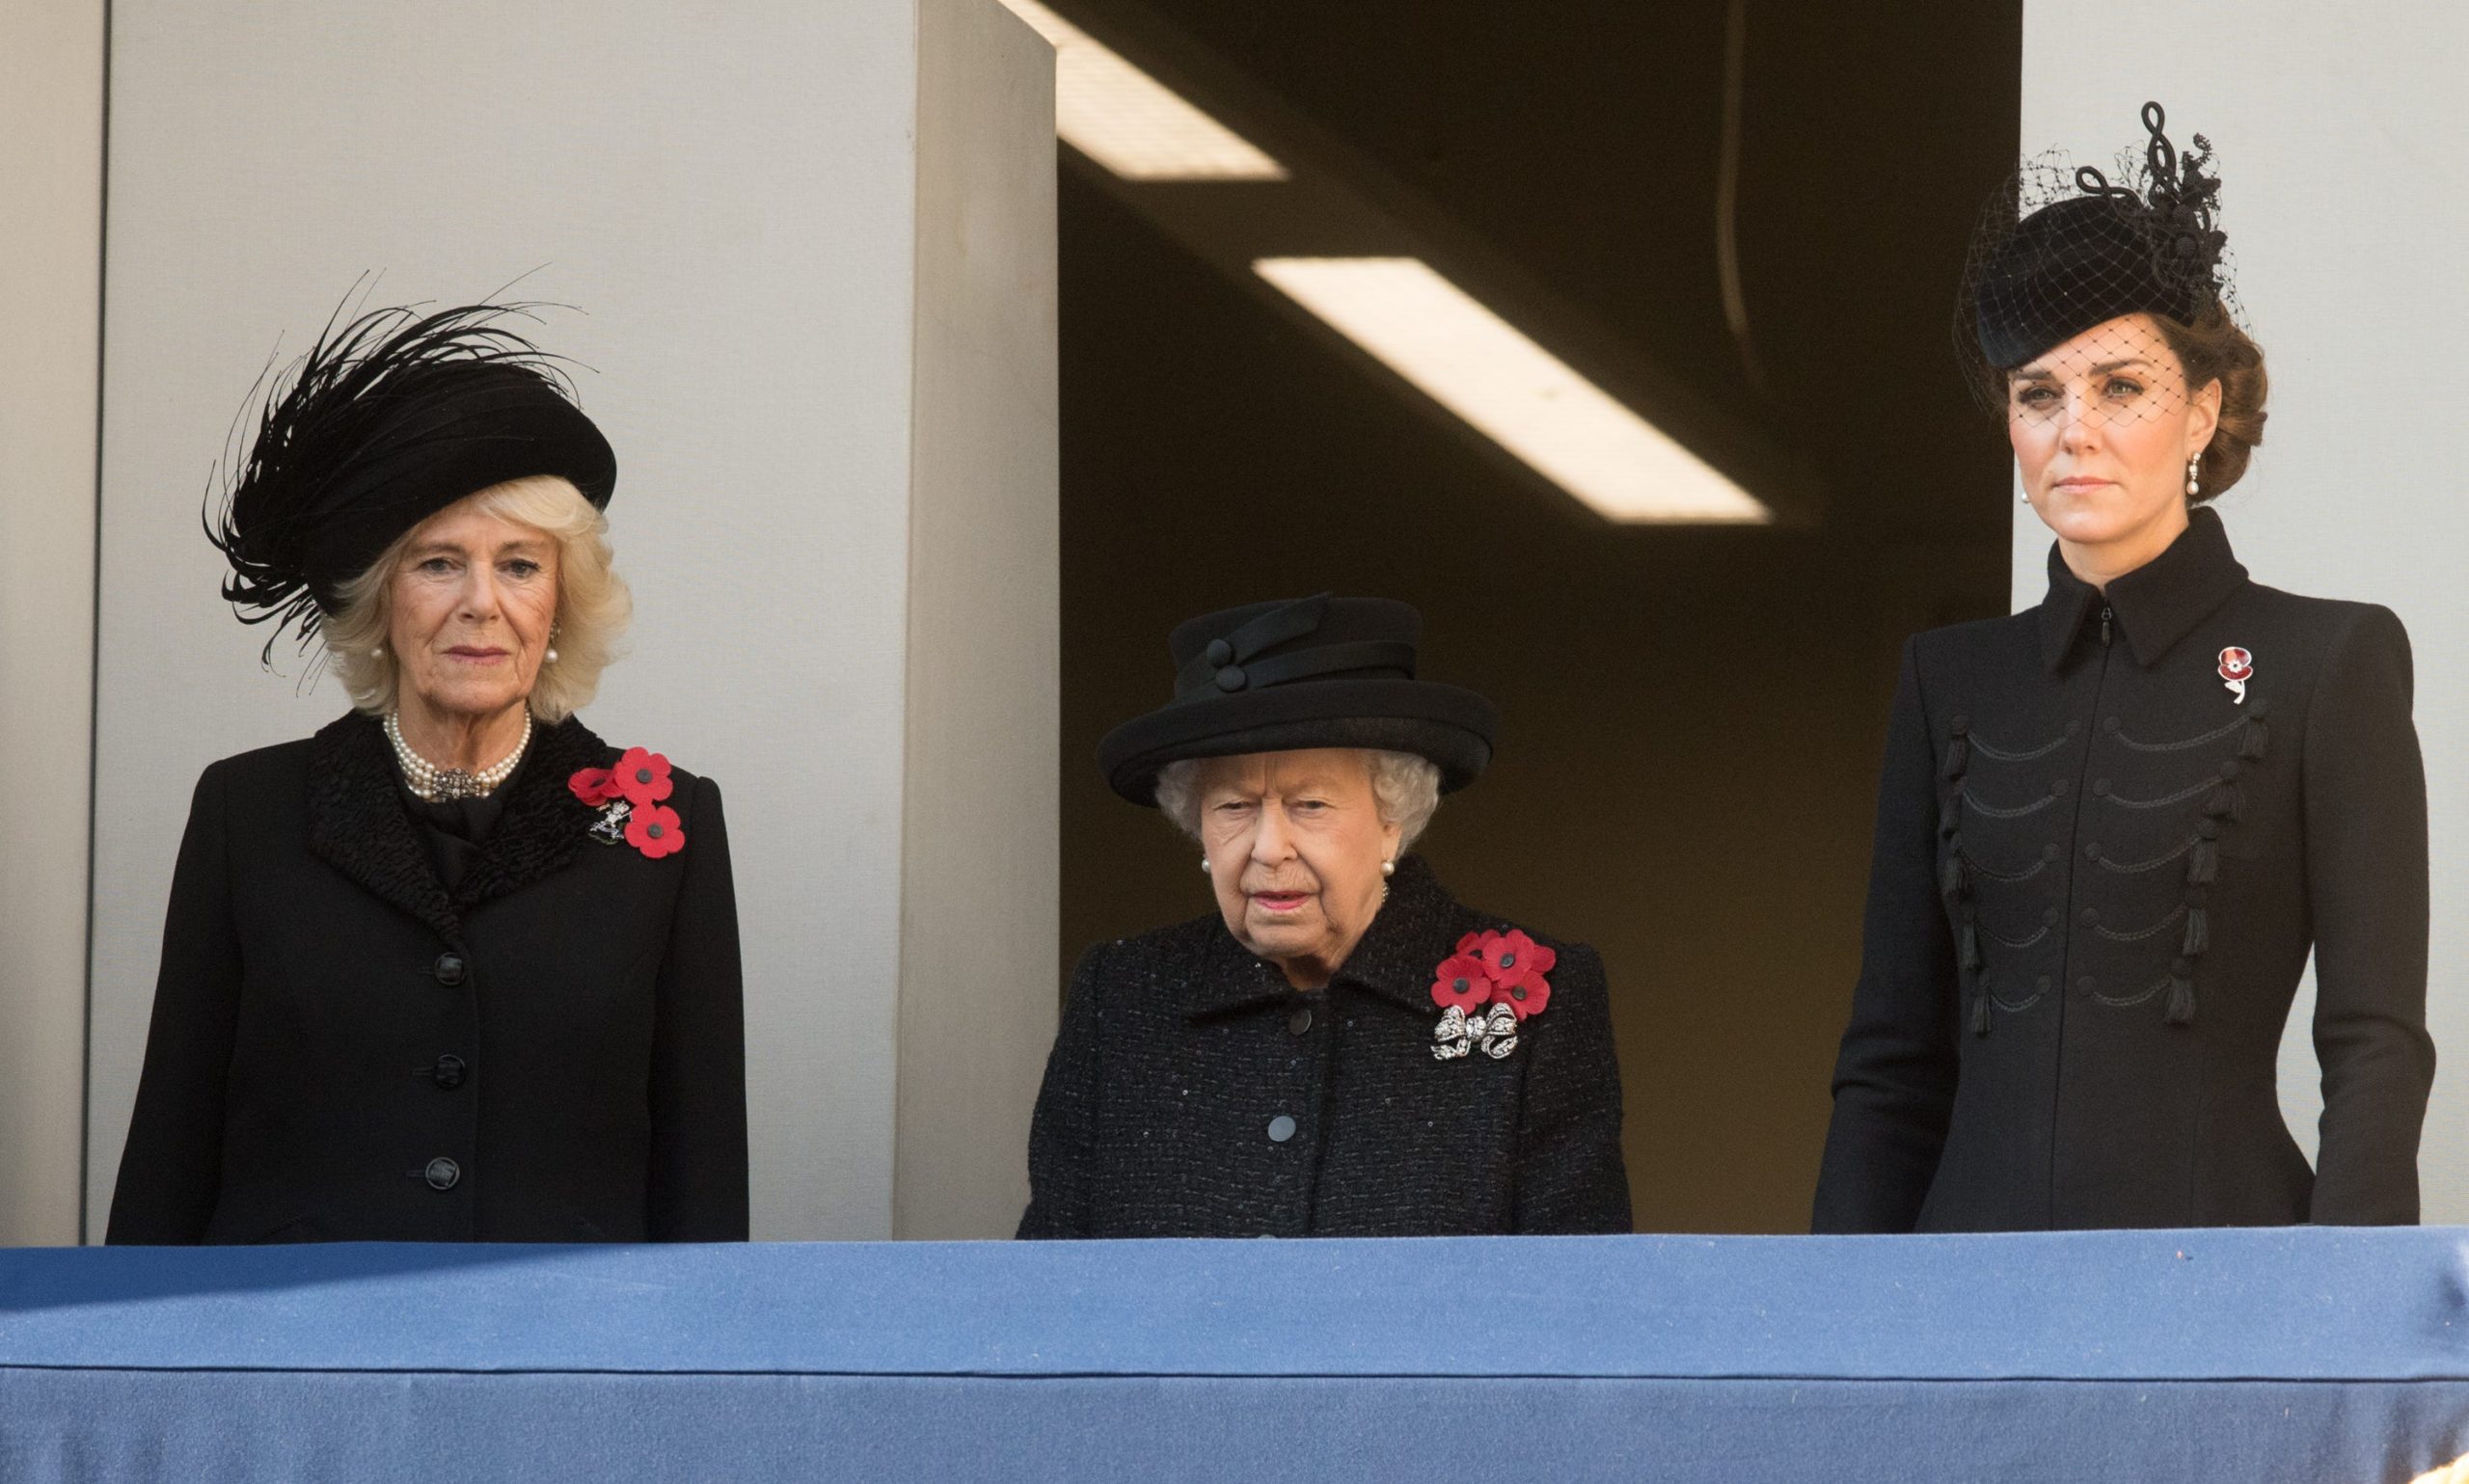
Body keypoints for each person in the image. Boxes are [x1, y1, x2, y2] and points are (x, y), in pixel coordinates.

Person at [1812, 104, 2433, 1232]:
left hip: (2229, 1278)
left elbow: (2373, 1044)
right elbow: (1891, 1063)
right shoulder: (1944, 679)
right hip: (1962, 1295)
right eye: (2037, 393)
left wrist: (2344, 1319)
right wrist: (1838, 1339)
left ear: (2200, 410)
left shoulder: (2328, 659)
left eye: (2119, 387)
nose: (2072, 430)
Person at [108, 301, 747, 1244]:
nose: (482, 605)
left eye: (520, 566)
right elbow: (171, 1150)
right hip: (292, 1361)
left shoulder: (663, 825)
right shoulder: (249, 813)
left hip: (561, 1369)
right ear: (381, 599)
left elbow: (703, 1188)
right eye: (439, 563)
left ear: (561, 600)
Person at [1018, 594, 1630, 1238]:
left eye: (1309, 803)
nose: (1267, 845)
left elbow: (1576, 1302)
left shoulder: (1543, 1002)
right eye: (1233, 806)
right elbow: (1046, 1291)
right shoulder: (1121, 996)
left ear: (1393, 819)